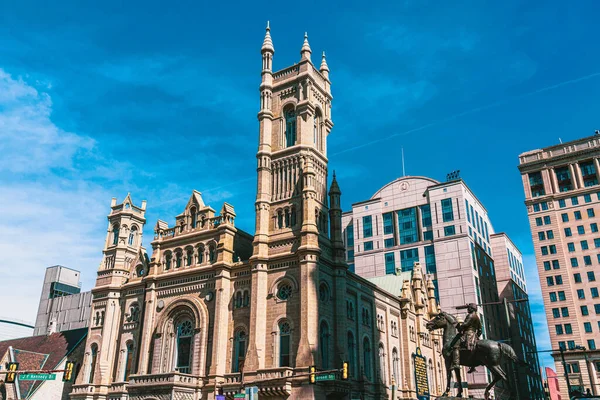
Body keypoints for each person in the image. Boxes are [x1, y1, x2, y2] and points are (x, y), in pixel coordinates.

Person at [449, 303, 482, 373]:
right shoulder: (477, 317)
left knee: (455, 346)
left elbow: (465, 324)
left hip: (467, 334)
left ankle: (456, 363)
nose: (467, 309)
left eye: (469, 308)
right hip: (474, 335)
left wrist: (459, 327)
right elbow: (480, 330)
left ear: (472, 309)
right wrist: (476, 336)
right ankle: (472, 366)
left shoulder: (470, 315)